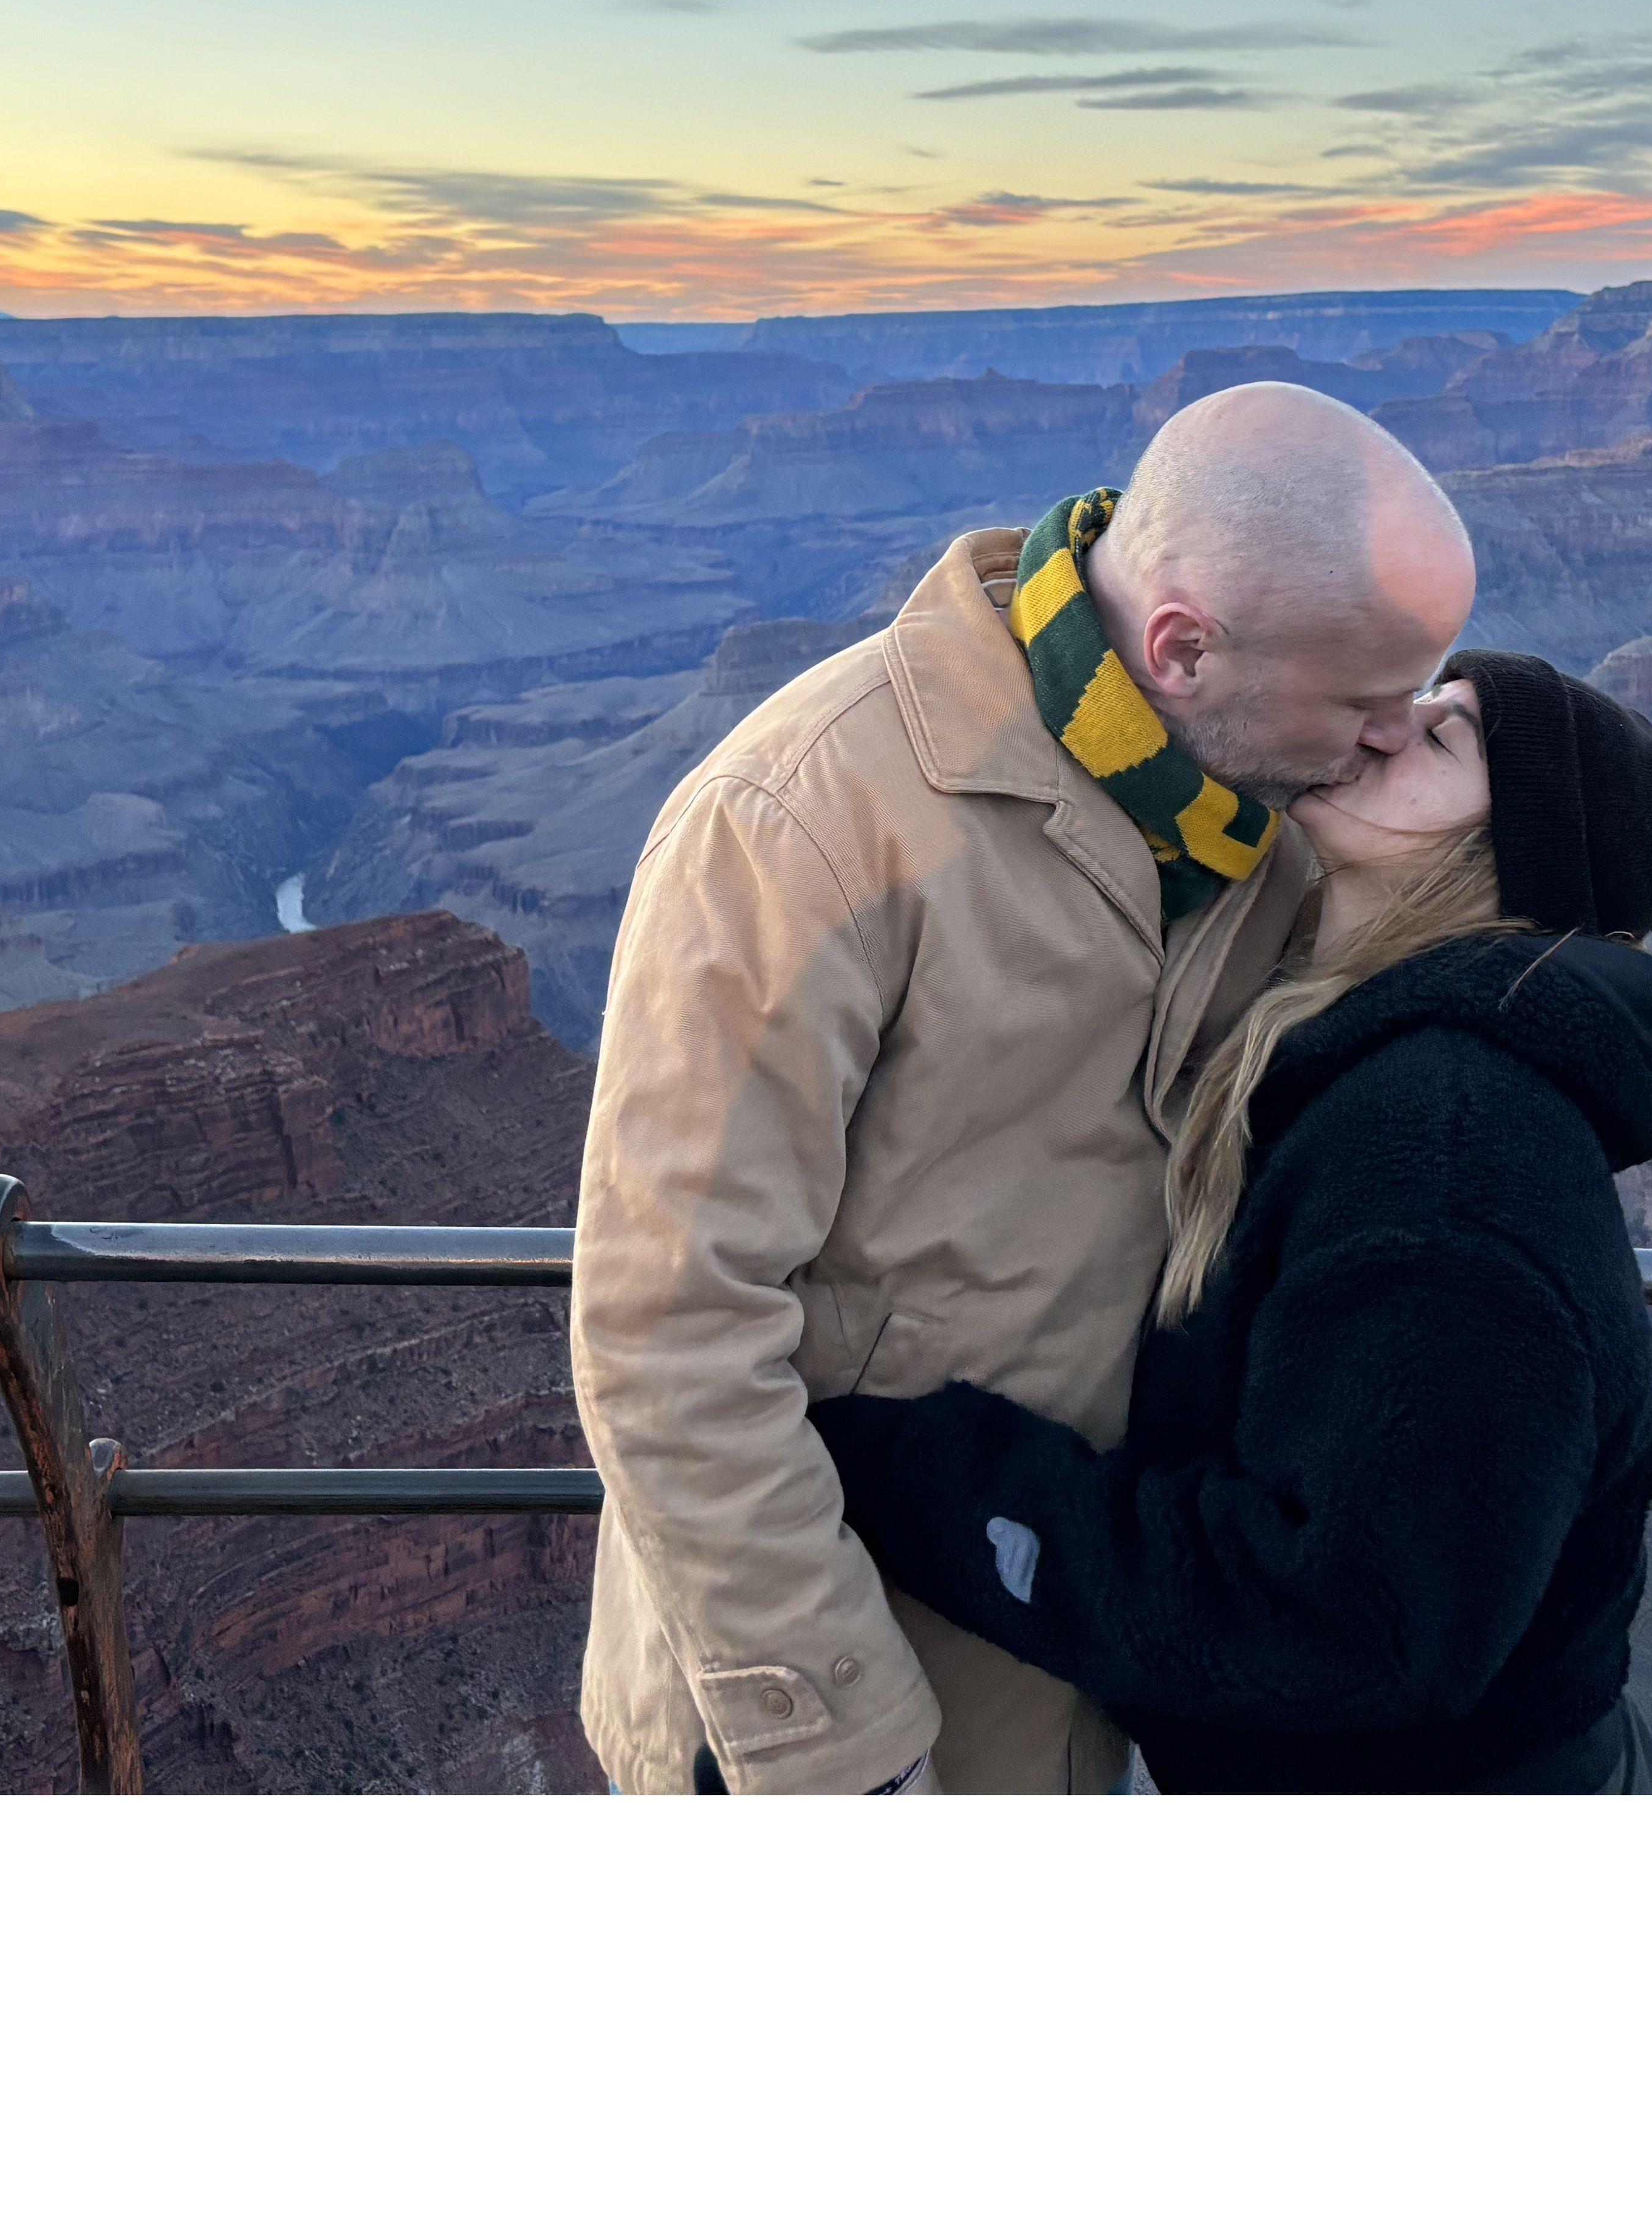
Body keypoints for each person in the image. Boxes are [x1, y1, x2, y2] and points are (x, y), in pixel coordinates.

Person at [569, 381, 1481, 1794]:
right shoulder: (802, 822)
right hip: (843, 1705)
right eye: (1365, 702)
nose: (1391, 739)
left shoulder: (1268, 816)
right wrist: (845, 1758)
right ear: (1181, 649)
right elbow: (668, 1327)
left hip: (1094, 1665)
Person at [807, 651, 1652, 1793]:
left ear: (1509, 860)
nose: (1385, 724)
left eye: (1443, 739)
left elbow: (1352, 1618)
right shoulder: (1366, 1056)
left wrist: (926, 1476)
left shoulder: (1448, 1152)